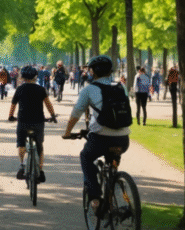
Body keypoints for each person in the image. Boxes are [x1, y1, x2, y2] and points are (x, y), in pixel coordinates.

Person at [62, 55, 131, 214]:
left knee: (86, 157)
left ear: (93, 71)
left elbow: (76, 113)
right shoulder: (121, 86)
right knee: (113, 157)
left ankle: (95, 198)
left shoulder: (89, 89)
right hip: (123, 138)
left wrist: (67, 132)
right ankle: (112, 186)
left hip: (101, 138)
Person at [8, 66, 57, 182]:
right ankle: (40, 170)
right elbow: (48, 104)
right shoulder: (40, 89)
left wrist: (11, 116)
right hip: (38, 122)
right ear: (35, 77)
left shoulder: (19, 89)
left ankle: (22, 165)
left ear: (22, 77)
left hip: (23, 121)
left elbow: (13, 104)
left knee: (21, 144)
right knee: (39, 146)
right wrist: (53, 115)